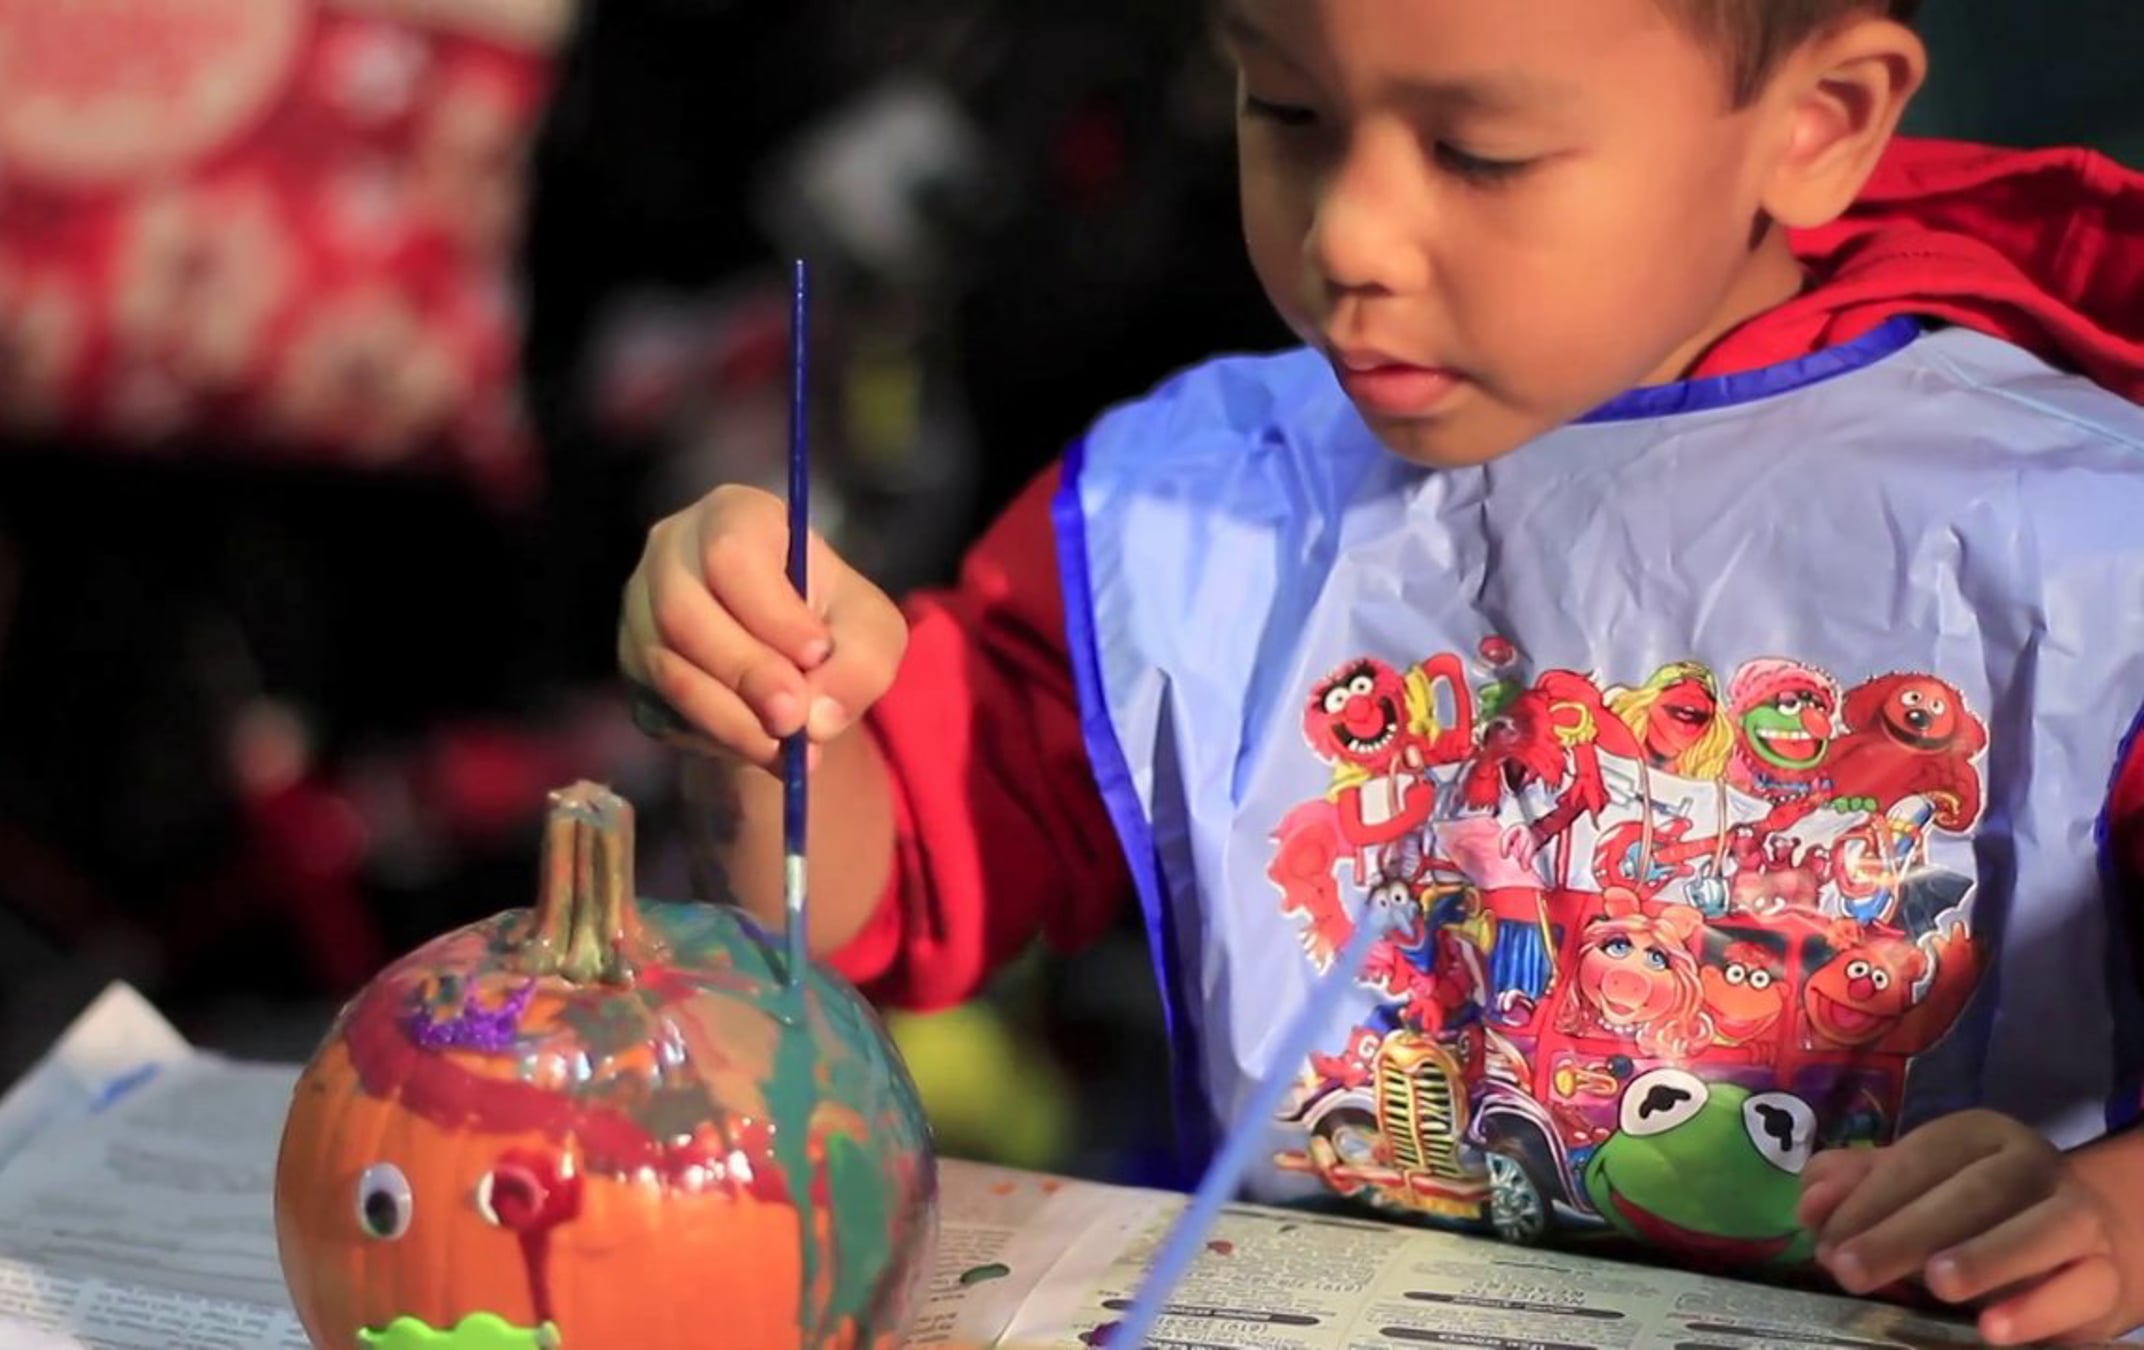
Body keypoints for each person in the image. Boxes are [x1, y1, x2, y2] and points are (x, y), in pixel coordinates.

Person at [615, 1, 2144, 1342]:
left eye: (1478, 153)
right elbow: (884, 892)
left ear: (1818, 124)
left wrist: (2113, 1215)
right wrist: (762, 695)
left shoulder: (2080, 542)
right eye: (1287, 110)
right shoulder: (1203, 500)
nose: (1348, 235)